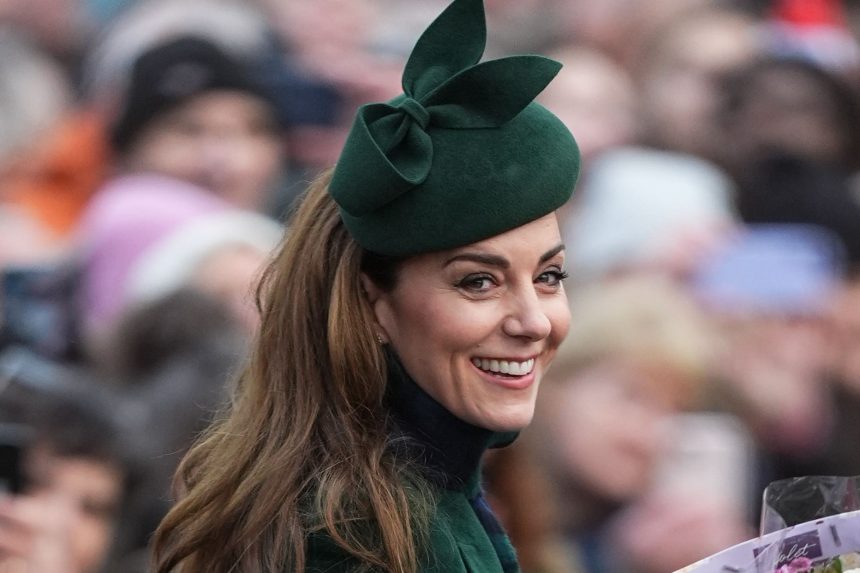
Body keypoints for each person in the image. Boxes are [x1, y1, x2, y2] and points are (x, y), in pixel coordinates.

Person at [152, 0, 580, 571]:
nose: (533, 321)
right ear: (371, 303)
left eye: (548, 276)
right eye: (479, 282)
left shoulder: (423, 496)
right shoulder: (355, 536)